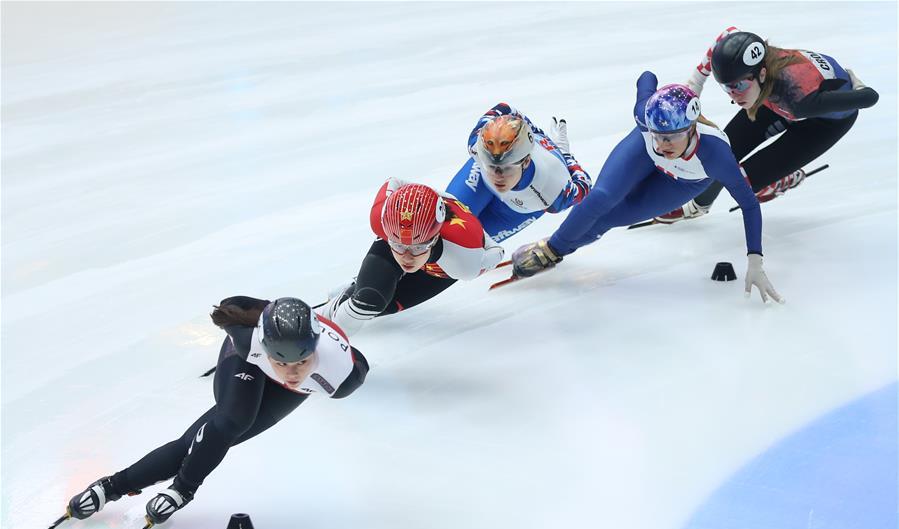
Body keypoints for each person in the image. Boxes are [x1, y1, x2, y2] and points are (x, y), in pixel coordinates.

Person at [50, 296, 369, 529]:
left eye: (301, 362)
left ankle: (112, 486)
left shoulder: (341, 375)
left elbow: (350, 366)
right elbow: (232, 307)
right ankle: (182, 489)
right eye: (282, 363)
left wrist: (292, 369)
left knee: (200, 441)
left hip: (294, 384)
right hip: (250, 364)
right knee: (232, 420)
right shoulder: (249, 341)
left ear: (316, 350)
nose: (291, 372)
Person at [510, 72, 784, 304]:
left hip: (684, 180)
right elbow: (647, 77)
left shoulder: (716, 156)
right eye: (659, 136)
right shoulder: (645, 117)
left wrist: (755, 261)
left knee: (611, 218)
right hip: (641, 149)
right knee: (601, 199)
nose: (664, 145)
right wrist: (659, 101)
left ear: (691, 129)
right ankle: (551, 250)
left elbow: (749, 204)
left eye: (671, 138)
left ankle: (560, 249)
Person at [654, 28, 878, 223]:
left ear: (761, 74)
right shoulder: (755, 63)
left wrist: (856, 84)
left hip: (823, 123)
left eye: (738, 86)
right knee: (721, 152)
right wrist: (695, 83)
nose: (734, 97)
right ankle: (699, 205)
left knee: (743, 180)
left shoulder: (799, 101)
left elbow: (870, 98)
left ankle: (779, 178)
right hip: (775, 95)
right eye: (727, 88)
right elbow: (726, 34)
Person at [319, 178, 504, 335]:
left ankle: (356, 286)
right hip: (404, 232)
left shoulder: (464, 257)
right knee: (369, 301)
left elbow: (496, 253)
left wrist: (446, 199)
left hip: (440, 270)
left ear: (436, 236)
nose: (406, 257)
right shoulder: (380, 220)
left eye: (418, 247)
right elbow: (395, 181)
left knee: (382, 305)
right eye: (399, 246)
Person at [445, 103, 592, 242]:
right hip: (483, 183)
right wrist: (528, 128)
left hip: (517, 209)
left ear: (526, 161)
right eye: (490, 165)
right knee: (445, 231)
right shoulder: (476, 145)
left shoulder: (552, 192)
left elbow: (584, 185)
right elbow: (505, 107)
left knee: (466, 246)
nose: (497, 175)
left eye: (506, 167)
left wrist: (565, 155)